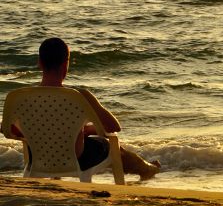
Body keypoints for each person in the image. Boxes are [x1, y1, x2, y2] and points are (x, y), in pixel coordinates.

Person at [1, 38, 161, 180]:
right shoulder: (80, 96)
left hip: (38, 156)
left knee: (103, 144)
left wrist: (34, 130)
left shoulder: (20, 97)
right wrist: (83, 130)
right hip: (77, 158)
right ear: (66, 65)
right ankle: (147, 169)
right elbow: (113, 127)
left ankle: (147, 168)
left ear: (40, 63)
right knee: (111, 145)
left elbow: (6, 129)